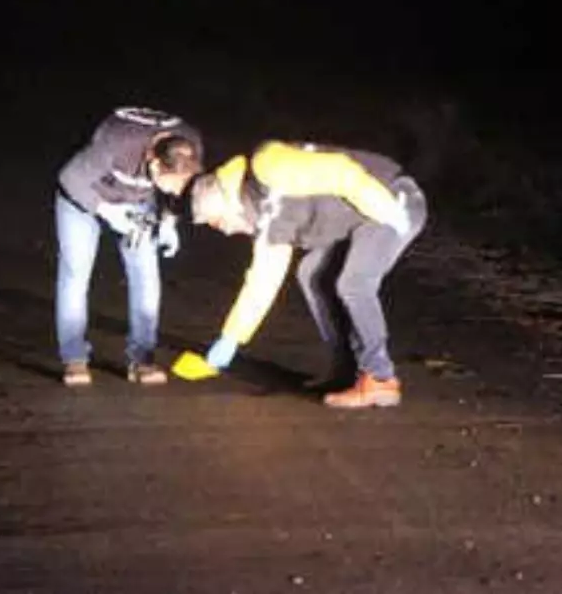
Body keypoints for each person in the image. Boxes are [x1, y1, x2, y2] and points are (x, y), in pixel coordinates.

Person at [179, 139, 427, 408]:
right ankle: (347, 370)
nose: (225, 231)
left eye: (217, 221)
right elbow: (260, 287)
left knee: (354, 283)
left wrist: (388, 211)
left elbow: (342, 171)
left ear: (227, 200)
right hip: (363, 219)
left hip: (392, 197)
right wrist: (230, 340)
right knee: (311, 273)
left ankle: (379, 378)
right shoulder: (269, 227)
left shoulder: (268, 165)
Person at [55, 106, 203, 386]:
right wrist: (107, 211)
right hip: (85, 193)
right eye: (167, 184)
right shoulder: (118, 140)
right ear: (154, 161)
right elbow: (70, 177)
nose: (172, 190)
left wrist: (169, 220)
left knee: (146, 274)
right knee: (76, 273)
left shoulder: (189, 146)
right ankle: (74, 358)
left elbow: (179, 190)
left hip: (137, 199)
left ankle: (142, 359)